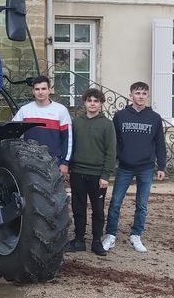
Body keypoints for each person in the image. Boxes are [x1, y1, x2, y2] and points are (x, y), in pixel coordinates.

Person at [102, 81, 166, 253]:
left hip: (146, 167)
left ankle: (135, 235)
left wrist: (161, 167)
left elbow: (160, 143)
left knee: (142, 204)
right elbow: (113, 142)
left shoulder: (154, 118)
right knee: (115, 202)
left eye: (144, 94)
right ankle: (110, 235)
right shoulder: (120, 116)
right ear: (131, 95)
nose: (141, 96)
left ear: (147, 96)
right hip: (124, 166)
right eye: (137, 93)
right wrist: (108, 165)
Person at [65, 88, 116, 256]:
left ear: (100, 104)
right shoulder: (76, 122)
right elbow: (70, 146)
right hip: (78, 172)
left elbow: (111, 152)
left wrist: (105, 175)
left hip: (97, 175)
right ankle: (79, 239)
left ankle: (96, 241)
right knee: (78, 208)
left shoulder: (107, 124)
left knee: (98, 210)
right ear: (85, 102)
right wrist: (69, 168)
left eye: (96, 101)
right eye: (89, 100)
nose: (92, 104)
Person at [12, 75, 72, 176]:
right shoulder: (25, 110)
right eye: (37, 89)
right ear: (33, 91)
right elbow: (12, 135)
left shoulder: (60, 110)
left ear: (49, 90)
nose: (40, 92)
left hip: (53, 162)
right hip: (29, 162)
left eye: (43, 89)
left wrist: (65, 163)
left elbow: (68, 139)